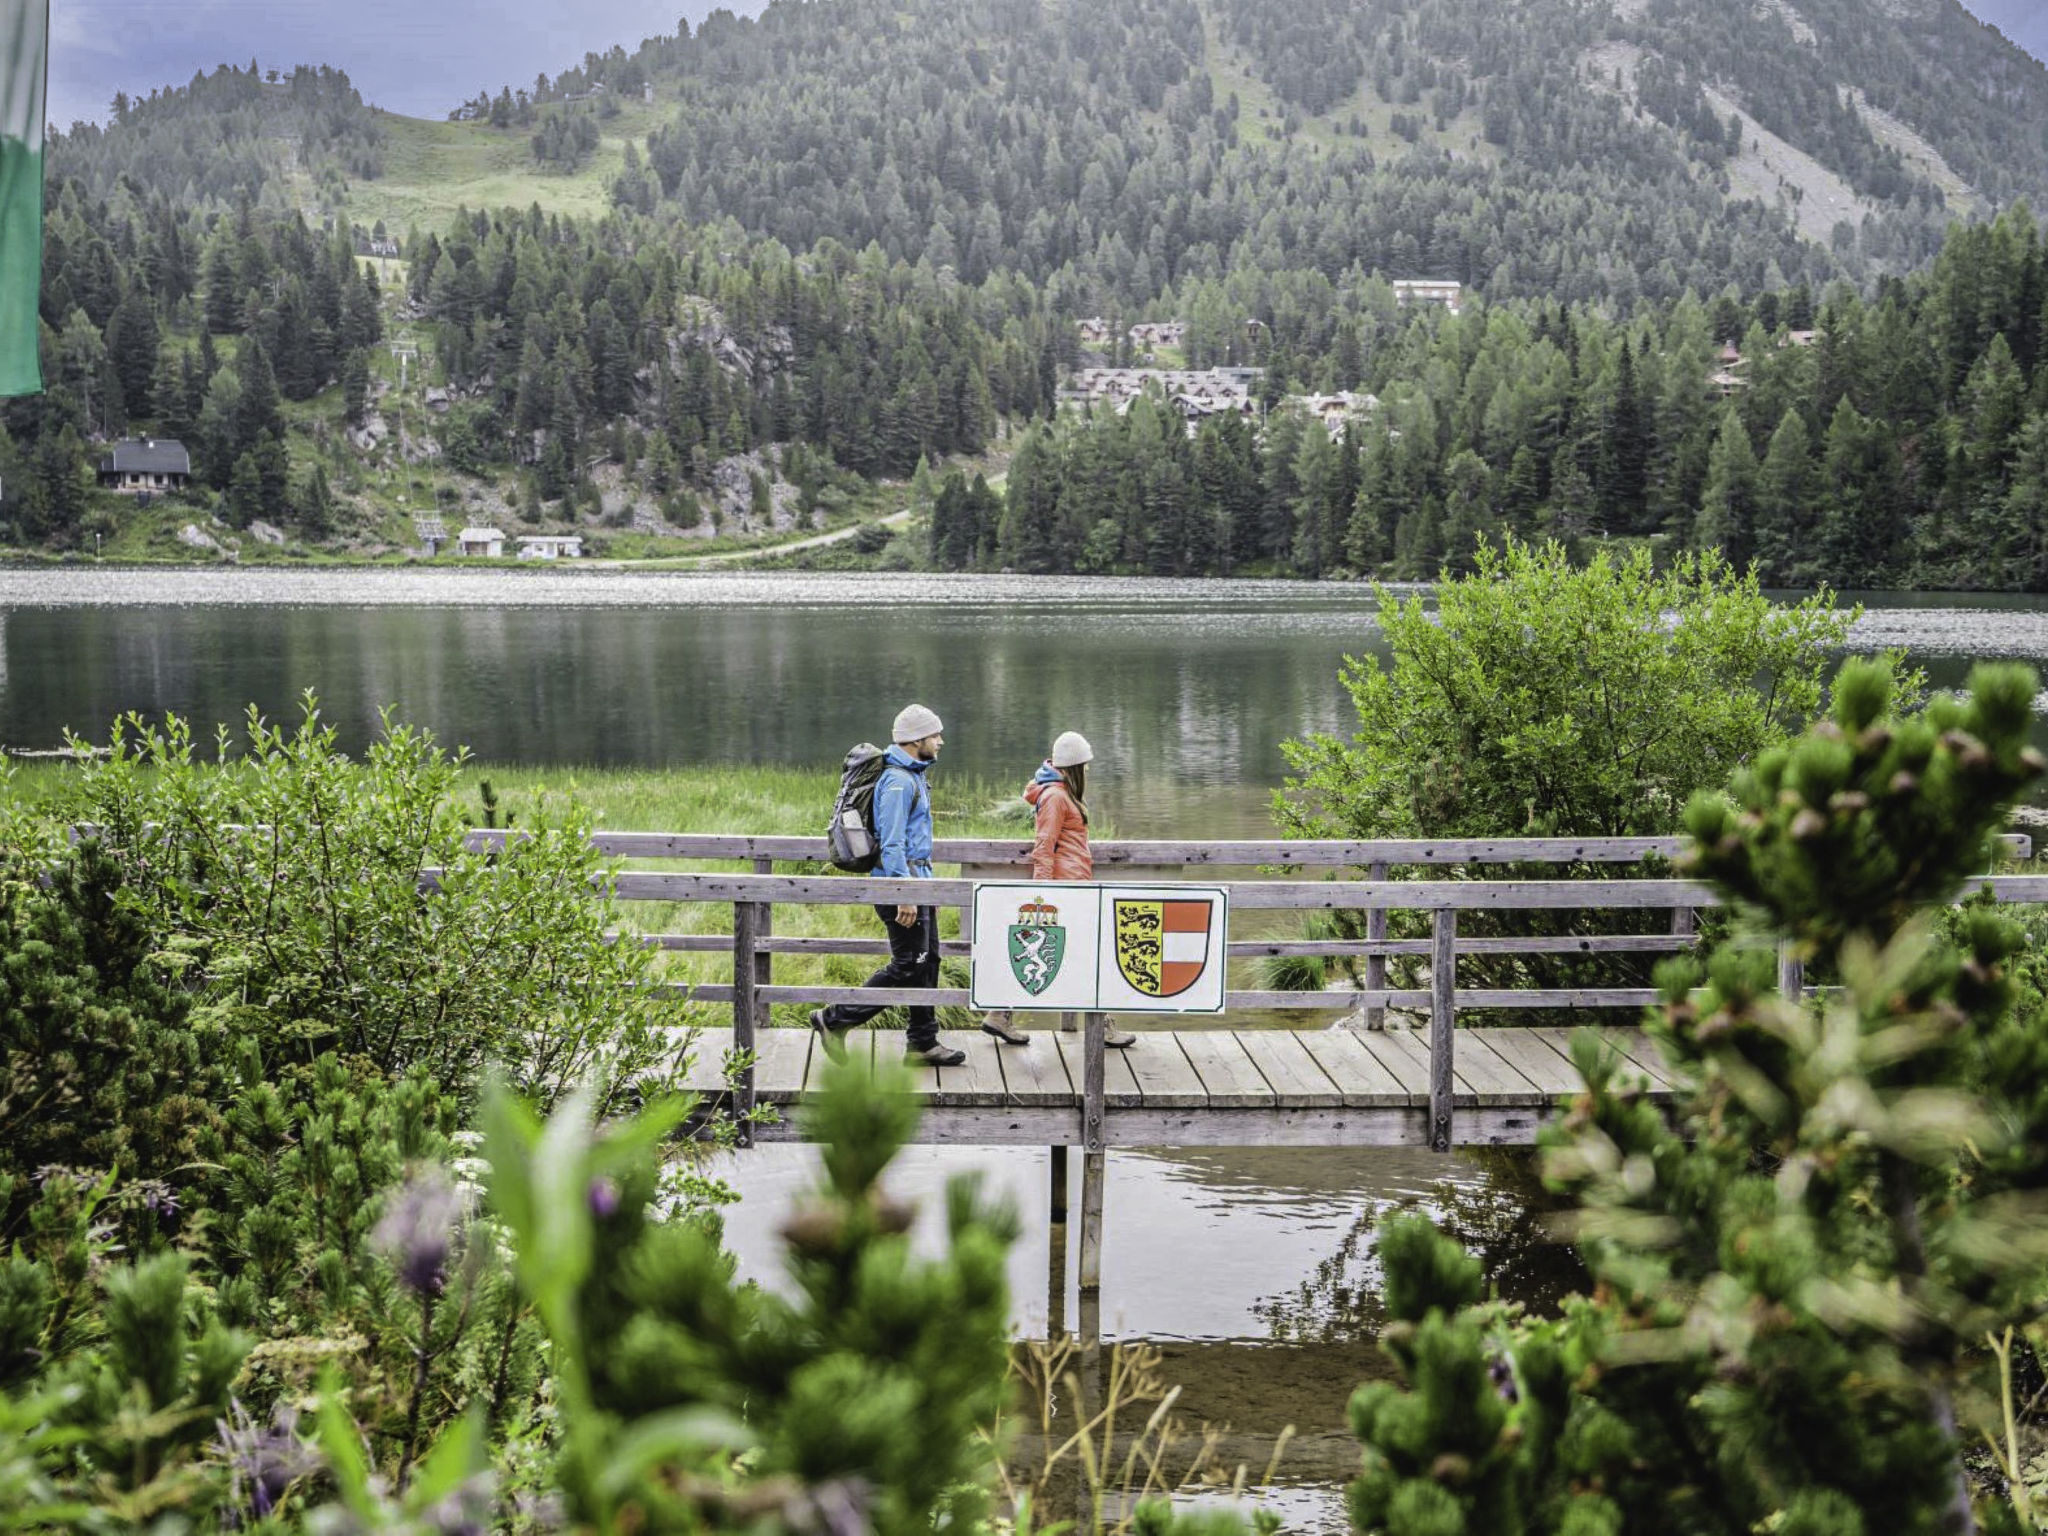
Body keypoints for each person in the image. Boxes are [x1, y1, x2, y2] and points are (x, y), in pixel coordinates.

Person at [811, 704, 966, 1066]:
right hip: (901, 889)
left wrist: (924, 889)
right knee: (908, 964)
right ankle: (834, 1019)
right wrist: (906, 894)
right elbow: (893, 843)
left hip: (917, 886)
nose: (941, 741)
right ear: (916, 740)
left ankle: (923, 1043)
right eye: (935, 735)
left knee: (928, 962)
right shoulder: (897, 781)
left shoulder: (913, 775)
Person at [981, 731, 1137, 1049]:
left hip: (1074, 887)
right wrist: (1044, 893)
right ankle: (1103, 1027)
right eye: (1085, 765)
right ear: (1074, 768)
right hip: (1065, 891)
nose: (1089, 771)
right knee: (1091, 954)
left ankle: (1000, 1014)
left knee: (1078, 954)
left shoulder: (1061, 793)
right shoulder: (1055, 797)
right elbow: (1044, 846)